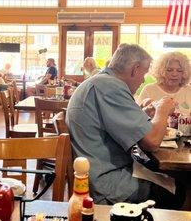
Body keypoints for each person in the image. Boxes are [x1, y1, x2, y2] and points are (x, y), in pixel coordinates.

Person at [66, 44, 185, 209]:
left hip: (95, 171)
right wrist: (163, 110)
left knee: (165, 176)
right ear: (135, 69)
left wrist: (143, 112)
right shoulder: (110, 86)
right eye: (144, 73)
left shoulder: (101, 82)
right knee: (179, 190)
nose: (143, 79)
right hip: (106, 183)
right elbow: (151, 142)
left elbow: (115, 124)